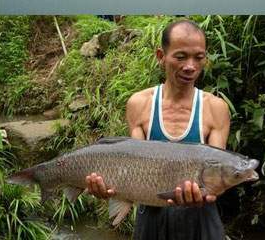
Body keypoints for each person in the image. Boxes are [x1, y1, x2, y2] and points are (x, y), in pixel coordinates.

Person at [85, 19, 230, 239]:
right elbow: (136, 163)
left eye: (198, 58)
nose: (190, 66)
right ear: (161, 57)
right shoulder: (139, 104)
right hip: (152, 218)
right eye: (180, 57)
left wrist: (207, 191)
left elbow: (218, 176)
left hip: (200, 220)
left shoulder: (216, 108)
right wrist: (109, 188)